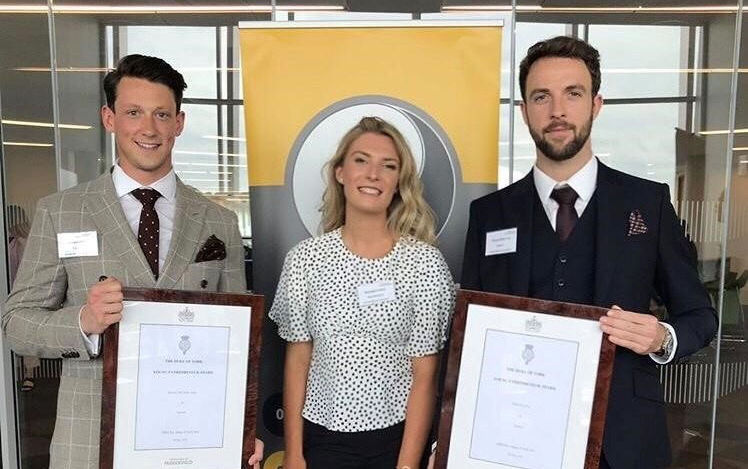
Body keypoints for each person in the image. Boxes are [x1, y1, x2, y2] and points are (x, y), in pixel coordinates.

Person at [461, 36, 717, 469]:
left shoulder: (647, 203)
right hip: (513, 437)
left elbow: (699, 315)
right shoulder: (489, 214)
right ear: (524, 112)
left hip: (625, 439)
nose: (557, 110)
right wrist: (449, 438)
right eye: (542, 96)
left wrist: (661, 337)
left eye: (572, 93)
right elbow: (469, 334)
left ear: (596, 104)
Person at [2, 54, 262, 469]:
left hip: (191, 442)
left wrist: (243, 429)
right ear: (110, 118)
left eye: (162, 114)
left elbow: (238, 347)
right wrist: (84, 322)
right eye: (133, 112)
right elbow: (16, 324)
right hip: (90, 442)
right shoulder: (61, 212)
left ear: (179, 122)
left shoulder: (218, 221)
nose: (149, 128)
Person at [270, 116, 455, 469]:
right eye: (361, 160)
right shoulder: (305, 260)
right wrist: (294, 454)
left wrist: (407, 465)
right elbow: (298, 361)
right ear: (340, 172)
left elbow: (425, 376)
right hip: (320, 439)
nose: (373, 174)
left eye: (388, 166)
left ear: (398, 182)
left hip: (396, 440)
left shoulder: (425, 264)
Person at [6, 204, 39, 392]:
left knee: (26, 333)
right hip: (8, 293)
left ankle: (29, 374)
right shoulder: (8, 241)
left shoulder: (24, 243)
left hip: (23, 295)